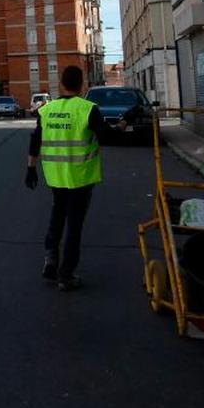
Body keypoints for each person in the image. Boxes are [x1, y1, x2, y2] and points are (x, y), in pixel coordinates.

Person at [24, 65, 120, 291]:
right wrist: (122, 126)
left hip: (56, 177)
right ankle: (66, 275)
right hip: (81, 177)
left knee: (57, 215)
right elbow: (106, 136)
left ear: (61, 84)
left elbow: (35, 140)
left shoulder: (47, 110)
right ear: (82, 85)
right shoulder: (87, 109)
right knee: (74, 225)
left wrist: (31, 168)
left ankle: (51, 256)